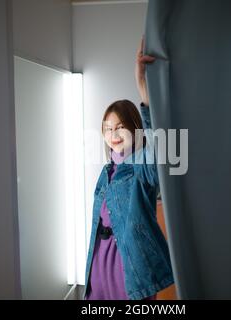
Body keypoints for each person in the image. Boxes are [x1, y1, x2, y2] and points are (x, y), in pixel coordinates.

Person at [83, 36, 175, 300]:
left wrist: (144, 92)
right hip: (99, 268)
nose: (114, 133)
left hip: (130, 272)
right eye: (108, 128)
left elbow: (162, 150)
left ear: (134, 129)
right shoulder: (106, 172)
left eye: (120, 126)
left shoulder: (140, 166)